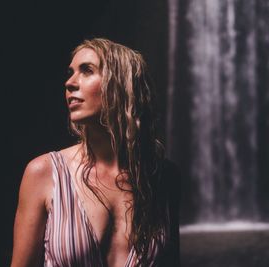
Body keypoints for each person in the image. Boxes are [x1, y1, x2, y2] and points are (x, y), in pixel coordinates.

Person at [10, 38, 180, 267]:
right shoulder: (43, 173)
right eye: (70, 73)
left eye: (87, 71)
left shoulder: (163, 177)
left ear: (121, 84)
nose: (69, 83)